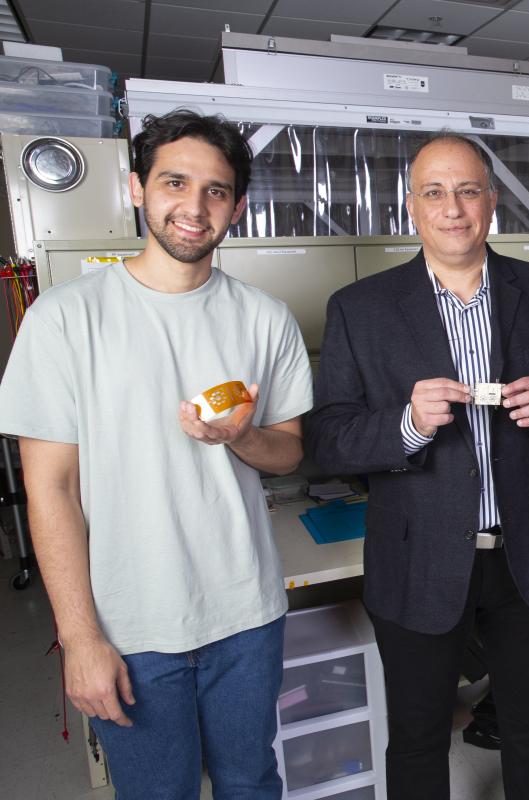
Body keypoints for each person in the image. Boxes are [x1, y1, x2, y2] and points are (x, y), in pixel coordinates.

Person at [0, 110, 313, 797]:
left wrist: (242, 437)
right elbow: (49, 491)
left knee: (251, 781)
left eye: (217, 190)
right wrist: (80, 639)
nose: (194, 208)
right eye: (175, 182)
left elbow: (288, 454)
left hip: (247, 615)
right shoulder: (65, 317)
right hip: (129, 624)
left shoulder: (265, 317)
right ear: (138, 188)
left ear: (236, 205)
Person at [305, 132, 529, 800]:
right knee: (417, 738)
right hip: (417, 559)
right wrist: (406, 424)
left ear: (492, 201)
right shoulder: (359, 309)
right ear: (411, 206)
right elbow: (328, 439)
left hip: (527, 554)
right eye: (435, 192)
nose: (453, 207)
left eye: (468, 190)